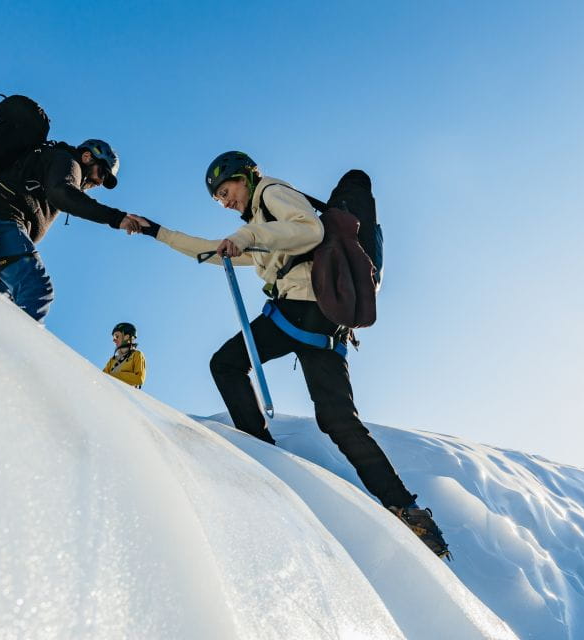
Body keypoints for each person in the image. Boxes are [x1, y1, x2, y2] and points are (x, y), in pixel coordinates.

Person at [128, 151, 450, 559]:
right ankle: (407, 508)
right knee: (337, 420)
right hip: (321, 323)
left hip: (300, 309)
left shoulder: (272, 193)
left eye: (226, 192)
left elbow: (310, 230)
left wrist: (246, 237)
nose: (225, 202)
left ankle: (261, 452)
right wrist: (155, 231)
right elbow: (210, 252)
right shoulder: (263, 227)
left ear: (246, 177)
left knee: (226, 364)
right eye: (218, 199)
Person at [0, 139, 139, 322]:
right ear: (87, 156)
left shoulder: (49, 163)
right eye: (102, 173)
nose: (99, 182)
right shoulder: (68, 161)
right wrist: (117, 218)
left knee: (0, 304)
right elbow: (62, 193)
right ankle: (9, 353)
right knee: (36, 291)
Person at [103, 322, 146, 388]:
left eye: (116, 336)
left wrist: (114, 376)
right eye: (113, 337)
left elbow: (139, 378)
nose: (114, 340)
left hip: (124, 394)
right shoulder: (112, 360)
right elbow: (102, 377)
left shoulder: (137, 355)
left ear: (126, 337)